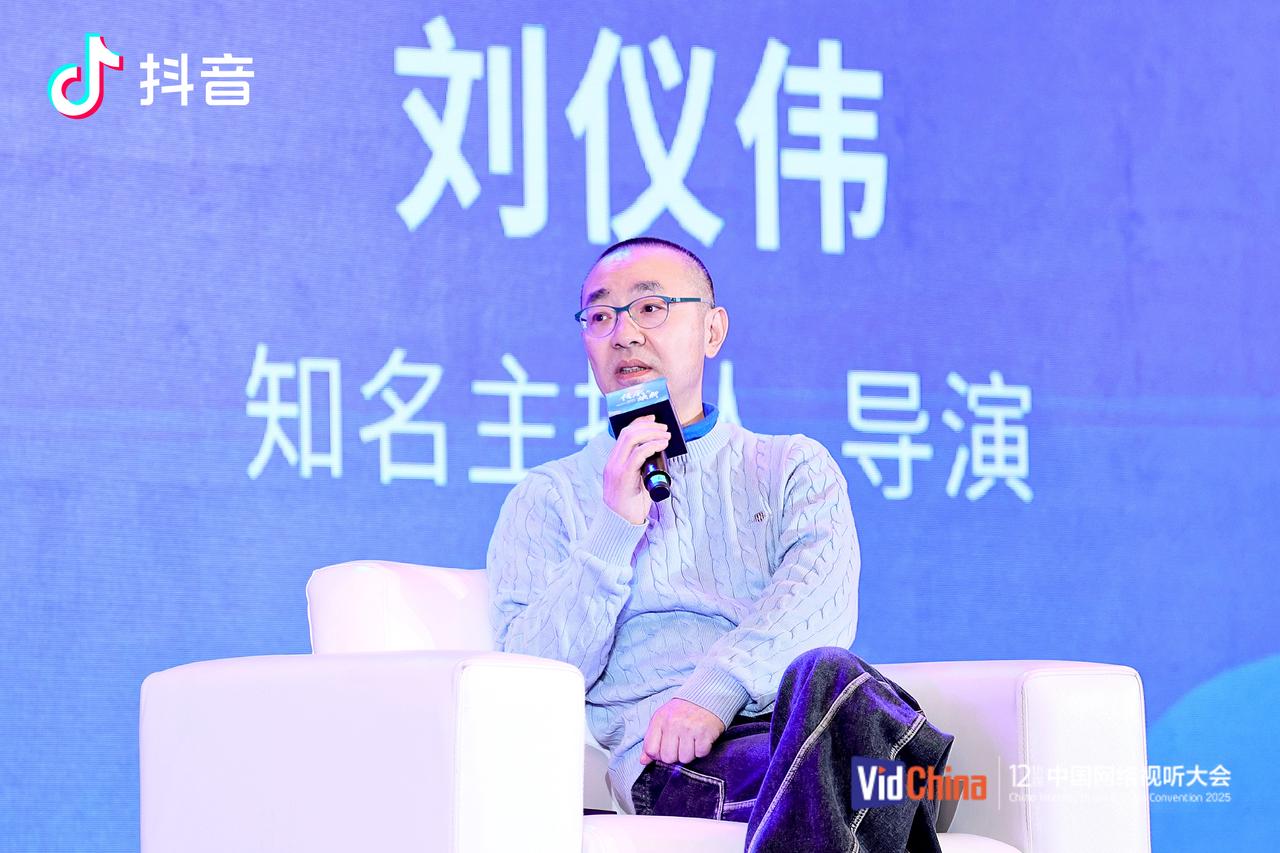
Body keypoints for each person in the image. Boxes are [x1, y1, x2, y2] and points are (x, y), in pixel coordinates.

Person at [486, 237, 954, 852]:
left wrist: (714, 692)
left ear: (712, 330)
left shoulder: (791, 466)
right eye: (600, 316)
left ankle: (889, 790)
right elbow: (527, 677)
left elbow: (820, 604)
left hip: (799, 721)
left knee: (832, 677)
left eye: (649, 308)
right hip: (677, 766)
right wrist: (614, 529)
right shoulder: (548, 496)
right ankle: (903, 796)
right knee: (865, 773)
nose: (624, 334)